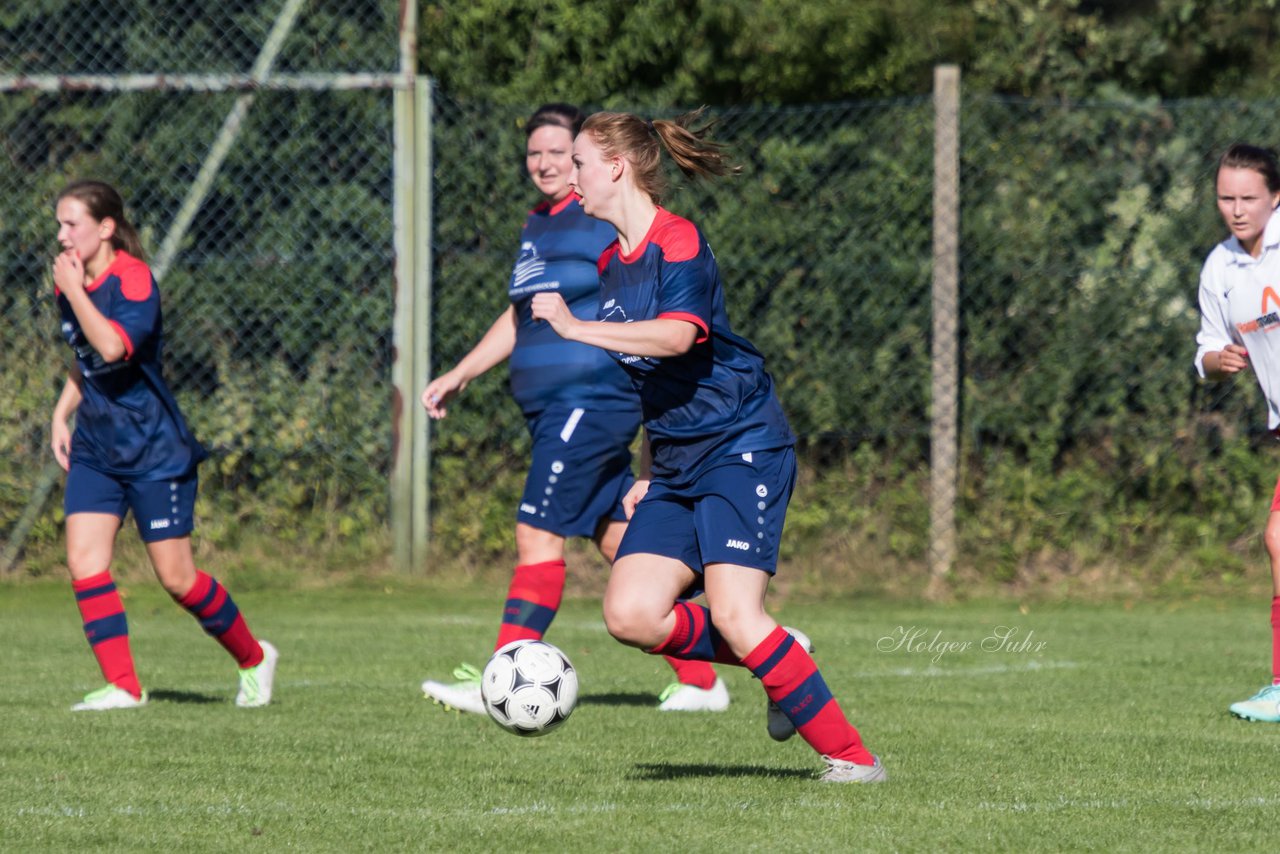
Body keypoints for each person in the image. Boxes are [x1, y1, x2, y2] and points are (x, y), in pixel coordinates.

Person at [529, 109, 886, 783]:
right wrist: (647, 469)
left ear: (616, 166)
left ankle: (852, 758)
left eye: (578, 161)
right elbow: (651, 380)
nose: (567, 174)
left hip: (740, 446)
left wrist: (575, 330)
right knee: (630, 614)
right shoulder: (611, 262)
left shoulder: (679, 240)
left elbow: (676, 337)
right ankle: (781, 654)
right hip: (677, 464)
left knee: (733, 612)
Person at [419, 103, 728, 714]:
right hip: (553, 410)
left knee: (536, 532)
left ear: (594, 163)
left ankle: (501, 678)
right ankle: (707, 677)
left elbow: (643, 300)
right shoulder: (541, 224)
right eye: (535, 152)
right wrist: (462, 373)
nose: (546, 163)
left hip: (591, 402)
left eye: (561, 153)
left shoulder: (599, 218)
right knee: (618, 540)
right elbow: (522, 314)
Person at [50, 180, 278, 711]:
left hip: (153, 448)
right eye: (59, 224)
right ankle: (124, 687)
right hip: (96, 449)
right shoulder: (70, 281)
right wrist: (62, 413)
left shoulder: (134, 280)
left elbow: (113, 346)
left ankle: (253, 658)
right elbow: (85, 357)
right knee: (84, 561)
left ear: (105, 229)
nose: (61, 236)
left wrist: (77, 290)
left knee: (177, 580)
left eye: (71, 224)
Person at [1195, 142, 1280, 723]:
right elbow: (1203, 349)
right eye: (1227, 197)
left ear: (1275, 196)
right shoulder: (1221, 267)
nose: (1237, 209)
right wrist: (1215, 361)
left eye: (1249, 197)